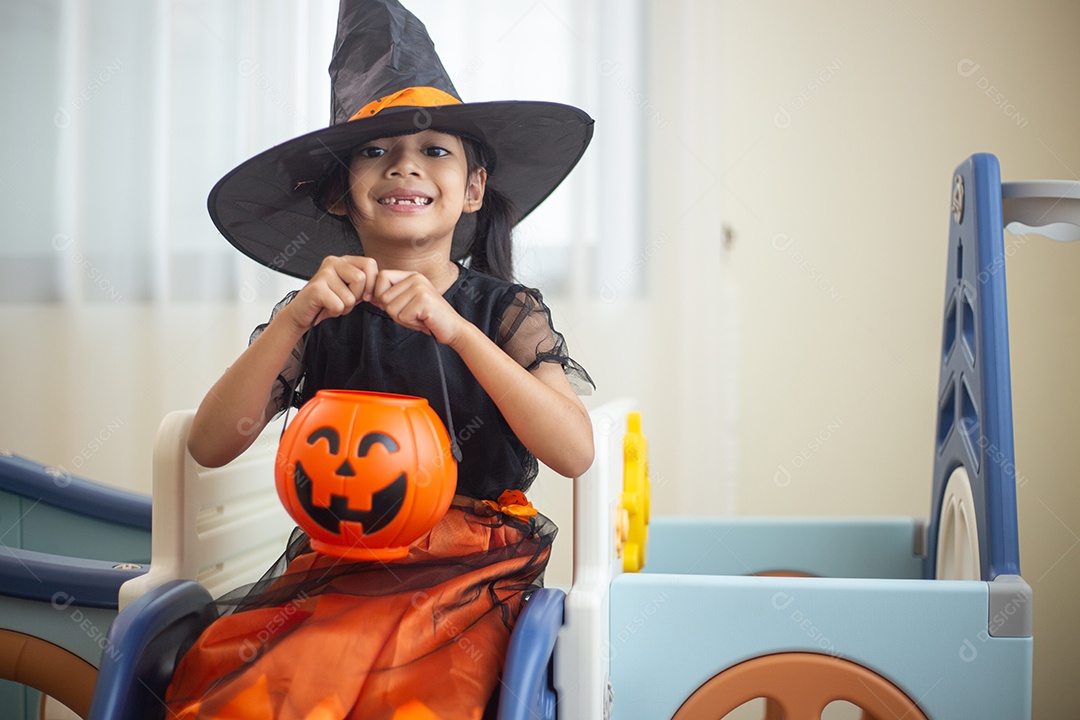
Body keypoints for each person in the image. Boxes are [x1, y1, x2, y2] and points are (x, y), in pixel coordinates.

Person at [163, 0, 595, 718]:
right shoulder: (324, 317)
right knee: (248, 685)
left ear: (473, 189)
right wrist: (297, 313)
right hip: (342, 563)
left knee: (409, 695)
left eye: (435, 151)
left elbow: (575, 451)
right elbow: (210, 446)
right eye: (375, 150)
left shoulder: (505, 313)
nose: (404, 165)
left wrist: (457, 331)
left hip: (469, 574)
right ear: (341, 193)